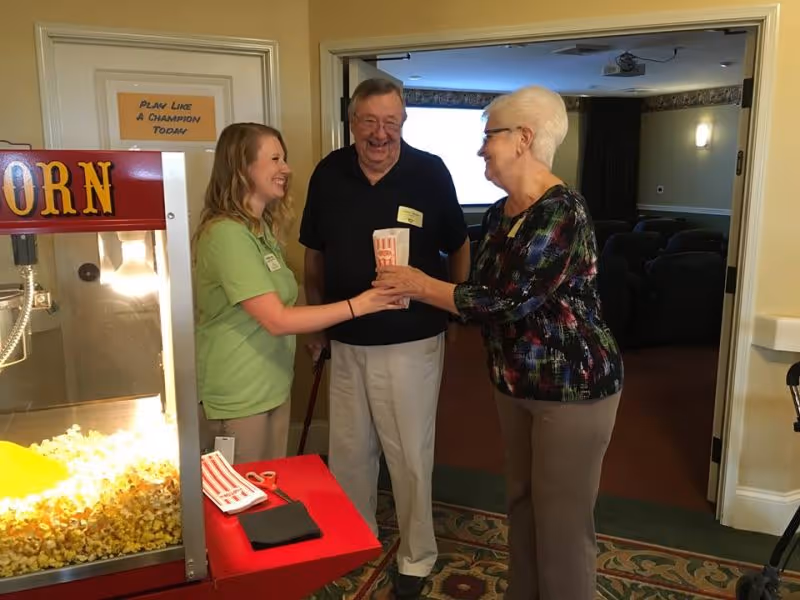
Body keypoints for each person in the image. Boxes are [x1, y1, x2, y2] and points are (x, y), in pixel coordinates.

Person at [374, 85, 624, 600]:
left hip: (571, 388)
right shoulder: (499, 214)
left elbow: (502, 301)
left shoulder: (561, 213)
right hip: (514, 381)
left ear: (523, 139)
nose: (481, 149)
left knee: (561, 524)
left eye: (489, 136)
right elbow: (472, 290)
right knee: (523, 505)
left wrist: (421, 285)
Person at [299, 79, 470, 598]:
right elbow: (314, 254)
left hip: (411, 339)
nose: (380, 133)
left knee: (409, 453)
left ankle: (418, 555)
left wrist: (454, 305)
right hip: (346, 337)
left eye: (390, 122)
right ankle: (356, 537)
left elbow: (459, 245)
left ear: (403, 122)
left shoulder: (430, 172)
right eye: (369, 122)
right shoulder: (329, 172)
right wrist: (318, 320)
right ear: (353, 124)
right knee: (349, 450)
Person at [193, 122, 403, 465]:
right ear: (242, 167)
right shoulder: (226, 235)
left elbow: (288, 300)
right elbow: (277, 319)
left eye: (284, 158)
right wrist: (362, 304)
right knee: (235, 501)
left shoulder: (259, 230)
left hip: (271, 386)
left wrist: (323, 321)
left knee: (266, 493)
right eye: (275, 159)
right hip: (236, 394)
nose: (286, 169)